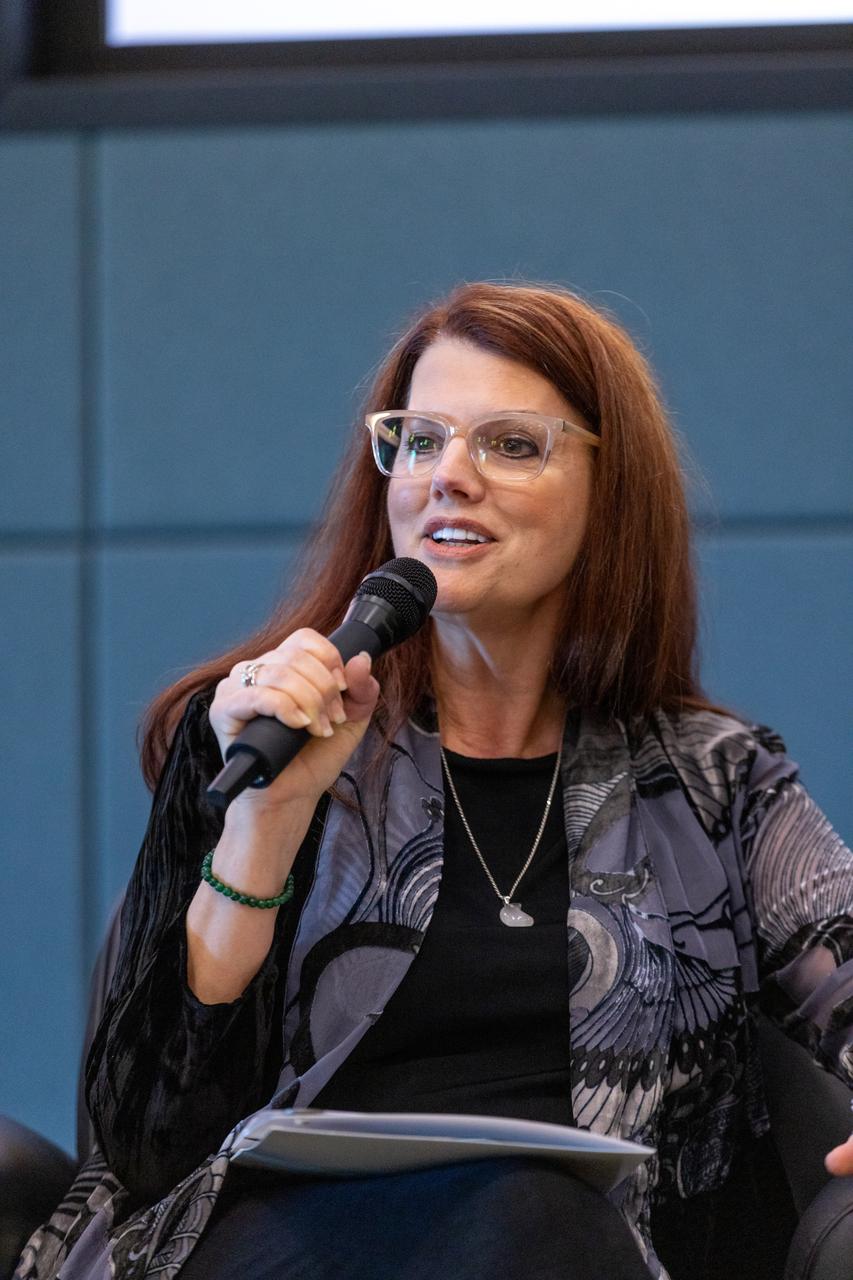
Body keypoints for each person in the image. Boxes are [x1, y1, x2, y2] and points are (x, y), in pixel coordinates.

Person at [16, 282, 852, 1280]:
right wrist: (265, 826)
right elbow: (147, 1137)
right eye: (418, 439)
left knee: (535, 1210)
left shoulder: (716, 782)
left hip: (585, 1247)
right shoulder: (266, 729)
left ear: (609, 485)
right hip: (286, 1244)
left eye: (508, 443)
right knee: (523, 1207)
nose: (448, 474)